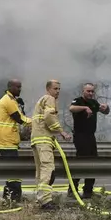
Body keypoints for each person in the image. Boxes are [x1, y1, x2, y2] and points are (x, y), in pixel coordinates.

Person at [30, 80, 71, 210]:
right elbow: (49, 116)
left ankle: (41, 199)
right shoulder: (49, 98)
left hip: (36, 140)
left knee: (41, 171)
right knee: (48, 169)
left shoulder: (41, 100)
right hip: (44, 140)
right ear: (48, 89)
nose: (57, 91)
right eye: (55, 88)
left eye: (59, 89)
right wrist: (61, 131)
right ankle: (46, 201)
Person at [0, 79, 32, 203]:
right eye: (17, 87)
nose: (20, 89)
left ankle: (10, 196)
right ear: (10, 87)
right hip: (6, 139)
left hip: (7, 139)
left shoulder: (11, 100)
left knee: (11, 168)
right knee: (14, 168)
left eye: (20, 87)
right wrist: (36, 122)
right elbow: (19, 119)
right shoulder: (8, 100)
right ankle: (14, 197)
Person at [68, 82, 110, 199]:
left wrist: (106, 108)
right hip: (80, 136)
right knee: (81, 162)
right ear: (83, 91)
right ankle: (72, 190)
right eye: (88, 91)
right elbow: (71, 108)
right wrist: (85, 108)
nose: (91, 93)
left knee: (93, 163)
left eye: (92, 91)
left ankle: (88, 191)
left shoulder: (94, 102)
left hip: (91, 136)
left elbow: (105, 112)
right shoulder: (78, 101)